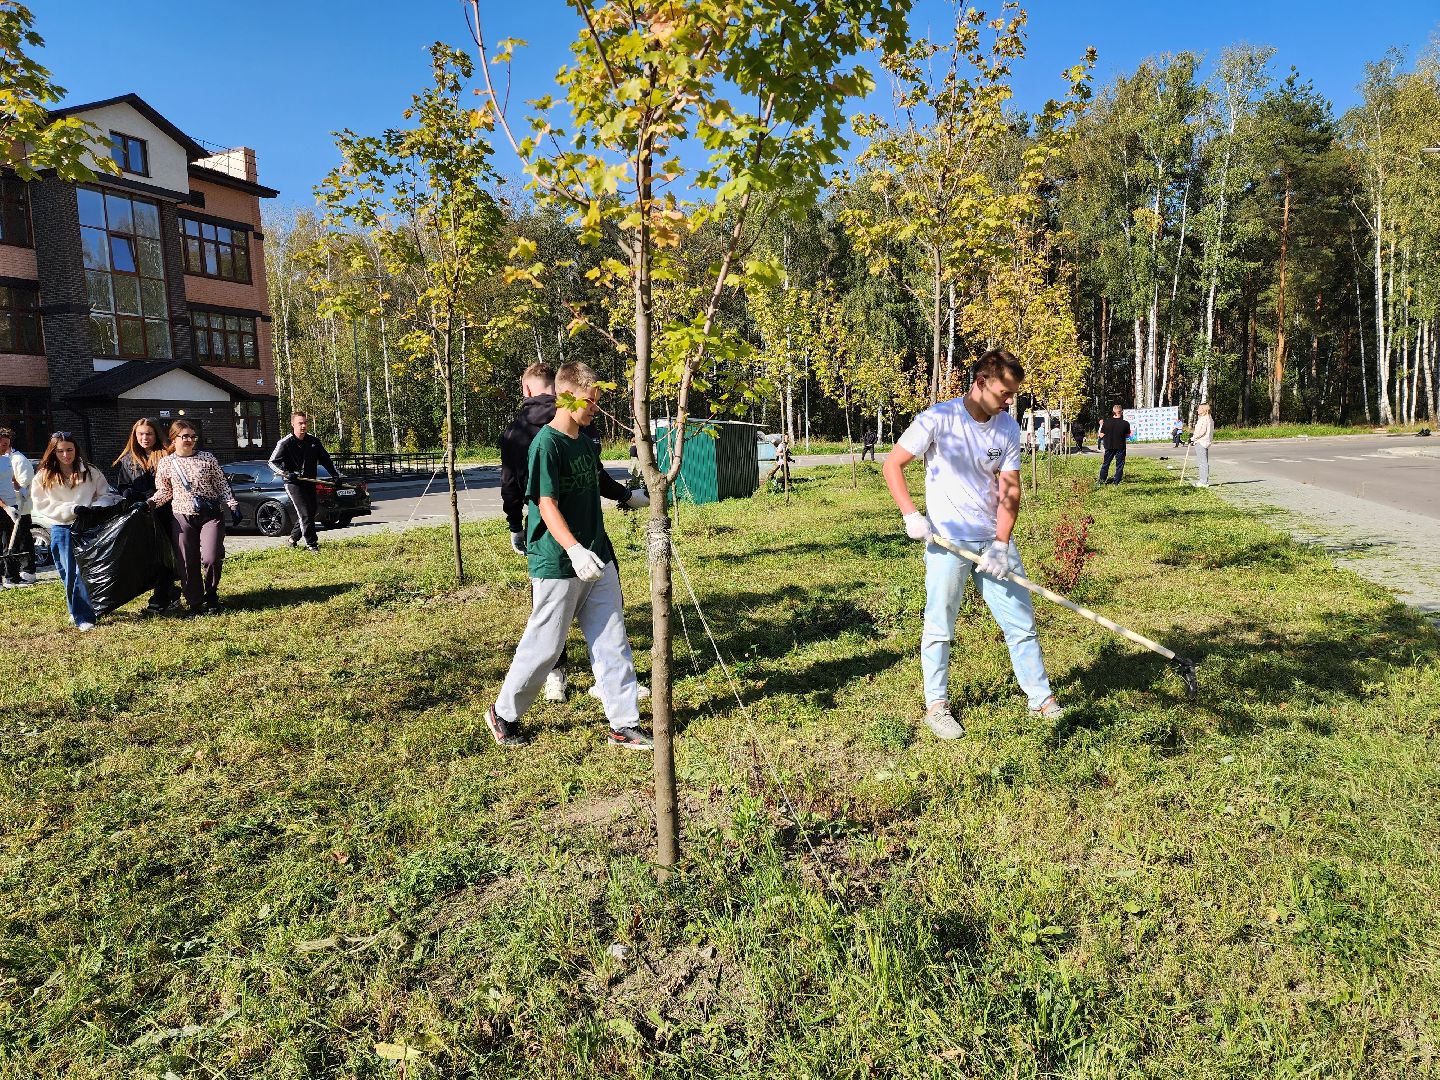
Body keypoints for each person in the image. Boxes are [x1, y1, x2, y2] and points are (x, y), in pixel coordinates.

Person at [883, 348, 1063, 741]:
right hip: (947, 542)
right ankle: (937, 705)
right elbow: (892, 463)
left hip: (991, 542)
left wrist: (1001, 543)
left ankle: (1041, 699)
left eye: (1013, 393)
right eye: (1004, 392)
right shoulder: (939, 418)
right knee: (940, 625)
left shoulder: (1007, 427)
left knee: (1022, 623)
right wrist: (911, 514)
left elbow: (1010, 488)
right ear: (981, 382)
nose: (1010, 400)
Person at [487, 362, 653, 750]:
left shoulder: (583, 439)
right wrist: (574, 549)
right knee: (545, 646)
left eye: (596, 400)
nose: (596, 408)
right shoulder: (546, 444)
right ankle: (504, 713)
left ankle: (623, 722)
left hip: (598, 555)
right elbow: (545, 505)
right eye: (589, 401)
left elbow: (596, 479)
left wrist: (629, 497)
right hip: (559, 562)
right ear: (565, 396)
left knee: (612, 639)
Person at [149, 421, 241, 616]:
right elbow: (165, 491)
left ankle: (212, 593)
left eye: (193, 436)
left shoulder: (207, 458)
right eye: (185, 436)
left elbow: (221, 485)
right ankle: (195, 603)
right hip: (182, 516)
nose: (190, 440)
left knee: (211, 557)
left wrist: (232, 505)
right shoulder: (166, 463)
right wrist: (150, 503)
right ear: (174, 439)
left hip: (210, 516)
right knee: (187, 562)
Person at [30, 432, 119, 630]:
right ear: (53, 452)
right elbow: (42, 503)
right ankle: (78, 612)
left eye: (69, 450)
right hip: (62, 528)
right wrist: (70, 509)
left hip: (88, 526)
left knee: (83, 572)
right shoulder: (44, 476)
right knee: (68, 573)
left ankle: (84, 613)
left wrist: (94, 508)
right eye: (60, 451)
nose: (65, 455)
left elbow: (106, 494)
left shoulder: (90, 471)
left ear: (76, 449)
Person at [113, 418, 179, 614]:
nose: (144, 438)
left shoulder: (167, 456)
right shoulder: (128, 460)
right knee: (150, 560)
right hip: (141, 517)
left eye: (148, 433)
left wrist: (151, 496)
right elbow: (123, 486)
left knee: (166, 557)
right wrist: (130, 496)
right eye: (140, 434)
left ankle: (160, 600)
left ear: (156, 434)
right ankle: (170, 593)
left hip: (166, 514)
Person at [268, 411, 340, 553]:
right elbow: (272, 463)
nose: (303, 426)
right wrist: (288, 473)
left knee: (311, 512)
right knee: (305, 513)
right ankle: (312, 545)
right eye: (300, 423)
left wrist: (335, 476)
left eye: (305, 423)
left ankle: (293, 539)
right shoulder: (285, 443)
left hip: (309, 481)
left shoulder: (314, 442)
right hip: (293, 483)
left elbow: (326, 460)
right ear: (293, 424)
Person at [0, 427, 36, 589]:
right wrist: (5, 507)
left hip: (11, 505)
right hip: (2, 506)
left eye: (7, 445)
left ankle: (12, 577)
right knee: (2, 543)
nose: (4, 448)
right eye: (1, 445)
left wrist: (21, 489)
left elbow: (13, 479)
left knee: (11, 542)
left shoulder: (7, 460)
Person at [1097, 404, 1131, 485]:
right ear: (1121, 412)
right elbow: (1128, 435)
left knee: (1105, 464)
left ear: (1113, 412)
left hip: (1109, 446)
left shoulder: (1107, 422)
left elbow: (1101, 435)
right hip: (1120, 446)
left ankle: (1101, 481)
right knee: (1119, 465)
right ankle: (1116, 482)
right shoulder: (1125, 423)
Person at [1192, 403, 1215, 487]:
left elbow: (1201, 431)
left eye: (1199, 408)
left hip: (1201, 441)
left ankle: (1203, 482)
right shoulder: (1209, 418)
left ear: (1204, 410)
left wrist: (1193, 438)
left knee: (1202, 462)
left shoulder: (1204, 419)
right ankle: (1204, 481)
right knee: (1204, 462)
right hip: (1205, 442)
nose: (1197, 410)